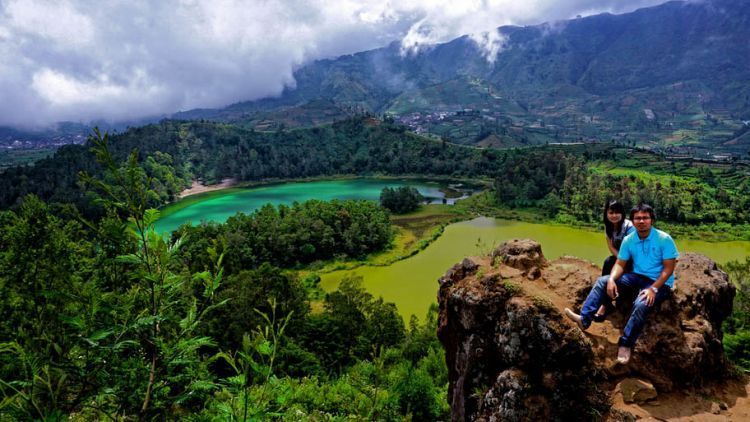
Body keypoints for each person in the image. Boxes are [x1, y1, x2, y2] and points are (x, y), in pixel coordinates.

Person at [564, 203, 679, 364]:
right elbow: (620, 263)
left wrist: (653, 289)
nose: (641, 221)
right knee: (603, 281)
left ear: (652, 220)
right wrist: (611, 279)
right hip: (636, 276)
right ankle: (585, 320)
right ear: (632, 221)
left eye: (645, 218)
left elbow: (669, 268)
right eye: (637, 218)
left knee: (641, 304)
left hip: (660, 283)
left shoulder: (664, 239)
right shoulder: (629, 239)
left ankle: (626, 344)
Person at [594, 200, 635, 321]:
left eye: (617, 212)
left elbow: (633, 249)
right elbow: (611, 247)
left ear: (622, 213)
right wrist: (620, 260)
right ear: (606, 213)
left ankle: (605, 304)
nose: (614, 215)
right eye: (611, 212)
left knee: (611, 267)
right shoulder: (608, 227)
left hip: (633, 259)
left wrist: (623, 262)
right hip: (620, 258)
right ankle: (605, 304)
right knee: (608, 262)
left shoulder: (629, 227)